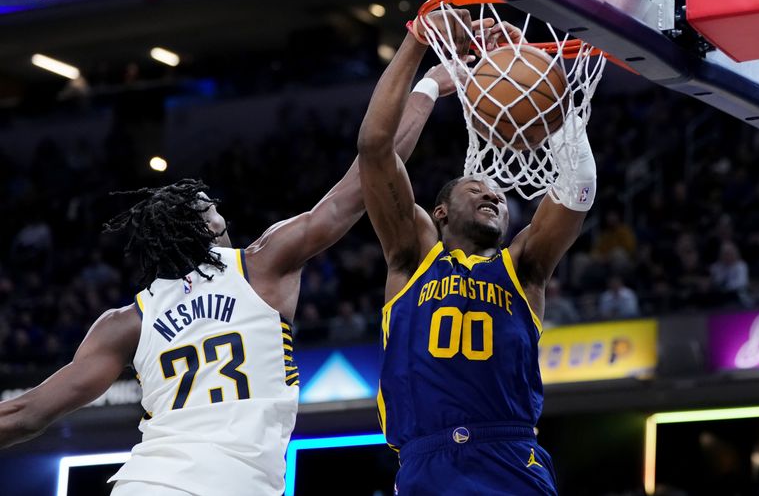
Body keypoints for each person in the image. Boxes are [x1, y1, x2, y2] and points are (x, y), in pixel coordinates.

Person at [0, 60, 457, 495]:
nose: (223, 214)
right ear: (207, 227)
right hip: (232, 482)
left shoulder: (125, 322)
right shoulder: (262, 263)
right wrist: (429, 86)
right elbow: (371, 176)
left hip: (146, 481)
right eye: (212, 208)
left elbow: (26, 413)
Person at [358, 11, 597, 495]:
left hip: (510, 456)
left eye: (498, 194)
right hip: (426, 460)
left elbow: (578, 187)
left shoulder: (523, 268)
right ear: (439, 213)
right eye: (475, 188)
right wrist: (418, 45)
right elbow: (375, 147)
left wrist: (539, 74)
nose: (493, 195)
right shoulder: (411, 258)